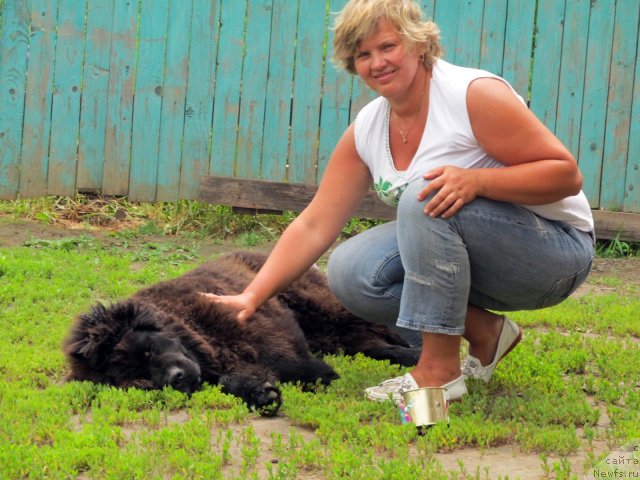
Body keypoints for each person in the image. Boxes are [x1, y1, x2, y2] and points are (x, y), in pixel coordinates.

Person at [202, 0, 595, 404]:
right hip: (476, 261)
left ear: (418, 43)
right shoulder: (369, 129)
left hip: (553, 254)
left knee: (423, 197)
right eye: (363, 54)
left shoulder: (471, 95)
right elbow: (314, 224)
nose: (377, 62)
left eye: (388, 46)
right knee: (351, 271)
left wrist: (477, 180)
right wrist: (252, 294)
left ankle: (438, 373)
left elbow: (565, 174)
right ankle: (485, 332)